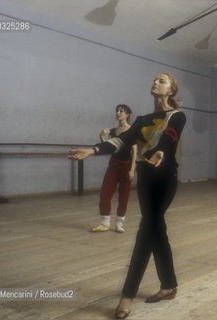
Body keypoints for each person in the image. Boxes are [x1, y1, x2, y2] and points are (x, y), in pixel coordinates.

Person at [68, 73, 186, 319]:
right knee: (156, 229)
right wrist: (92, 150)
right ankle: (169, 285)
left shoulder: (177, 116)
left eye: (162, 81)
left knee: (146, 229)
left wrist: (160, 152)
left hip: (165, 178)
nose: (156, 82)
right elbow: (122, 141)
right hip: (145, 177)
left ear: (171, 91)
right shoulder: (142, 120)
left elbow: (169, 137)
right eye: (154, 79)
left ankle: (128, 294)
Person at [92, 104, 137, 233]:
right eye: (117, 111)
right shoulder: (112, 131)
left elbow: (134, 151)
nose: (118, 113)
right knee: (105, 194)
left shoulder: (131, 131)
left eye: (121, 111)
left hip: (126, 166)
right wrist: (101, 136)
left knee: (124, 197)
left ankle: (119, 223)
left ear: (127, 115)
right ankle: (105, 223)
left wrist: (132, 169)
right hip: (113, 165)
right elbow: (108, 148)